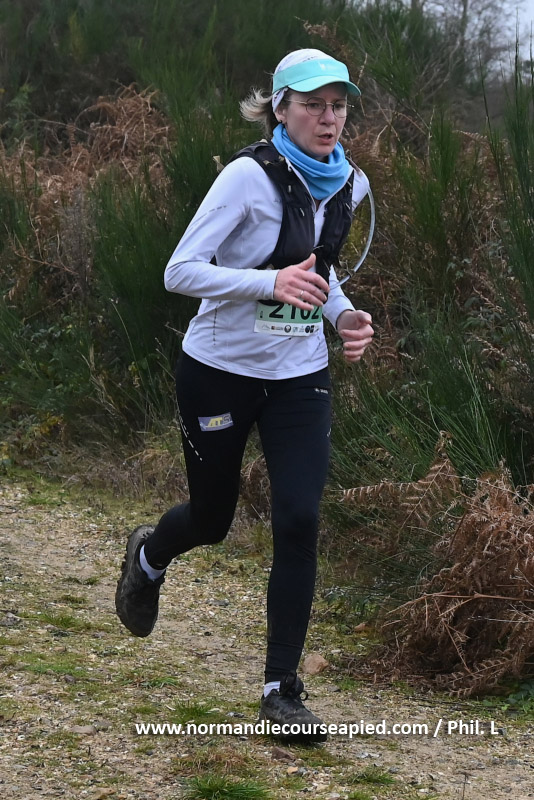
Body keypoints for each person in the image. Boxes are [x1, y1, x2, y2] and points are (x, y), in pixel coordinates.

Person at [115, 48, 374, 742]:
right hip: (220, 371)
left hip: (299, 378)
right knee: (212, 518)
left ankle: (279, 692)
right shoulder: (246, 178)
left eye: (338, 105)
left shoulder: (350, 182)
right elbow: (179, 271)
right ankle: (149, 557)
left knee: (299, 518)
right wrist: (268, 283)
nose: (328, 118)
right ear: (280, 109)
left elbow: (321, 273)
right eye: (313, 104)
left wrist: (343, 316)